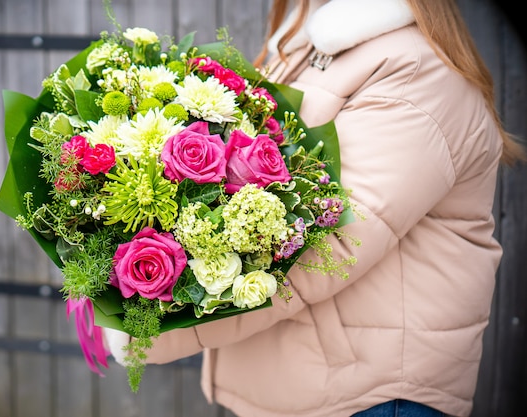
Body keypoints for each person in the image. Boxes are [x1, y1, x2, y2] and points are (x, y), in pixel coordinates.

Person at [105, 0, 526, 416]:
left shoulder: (416, 72)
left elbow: (329, 246)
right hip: (299, 383)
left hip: (370, 395)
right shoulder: (306, 46)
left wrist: (143, 326)